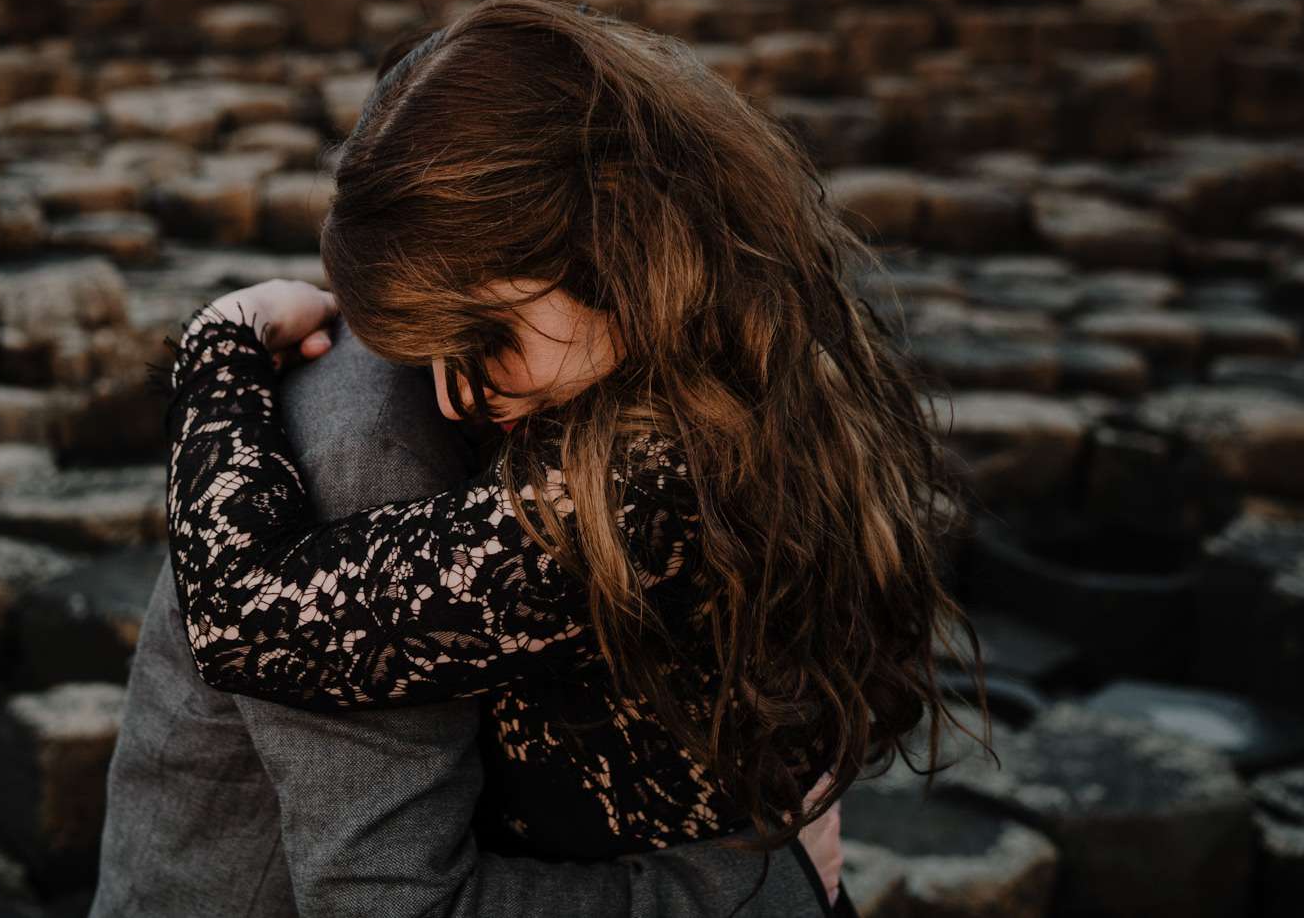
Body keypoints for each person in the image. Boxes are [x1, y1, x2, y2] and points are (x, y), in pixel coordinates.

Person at [164, 0, 973, 901]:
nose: (454, 392)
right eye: (431, 344)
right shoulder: (771, 352)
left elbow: (240, 619)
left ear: (617, 238)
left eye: (485, 332)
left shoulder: (653, 480)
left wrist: (217, 344)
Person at [93, 326, 840, 917]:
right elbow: (394, 899)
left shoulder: (731, 395)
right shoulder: (370, 450)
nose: (458, 393)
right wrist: (771, 889)